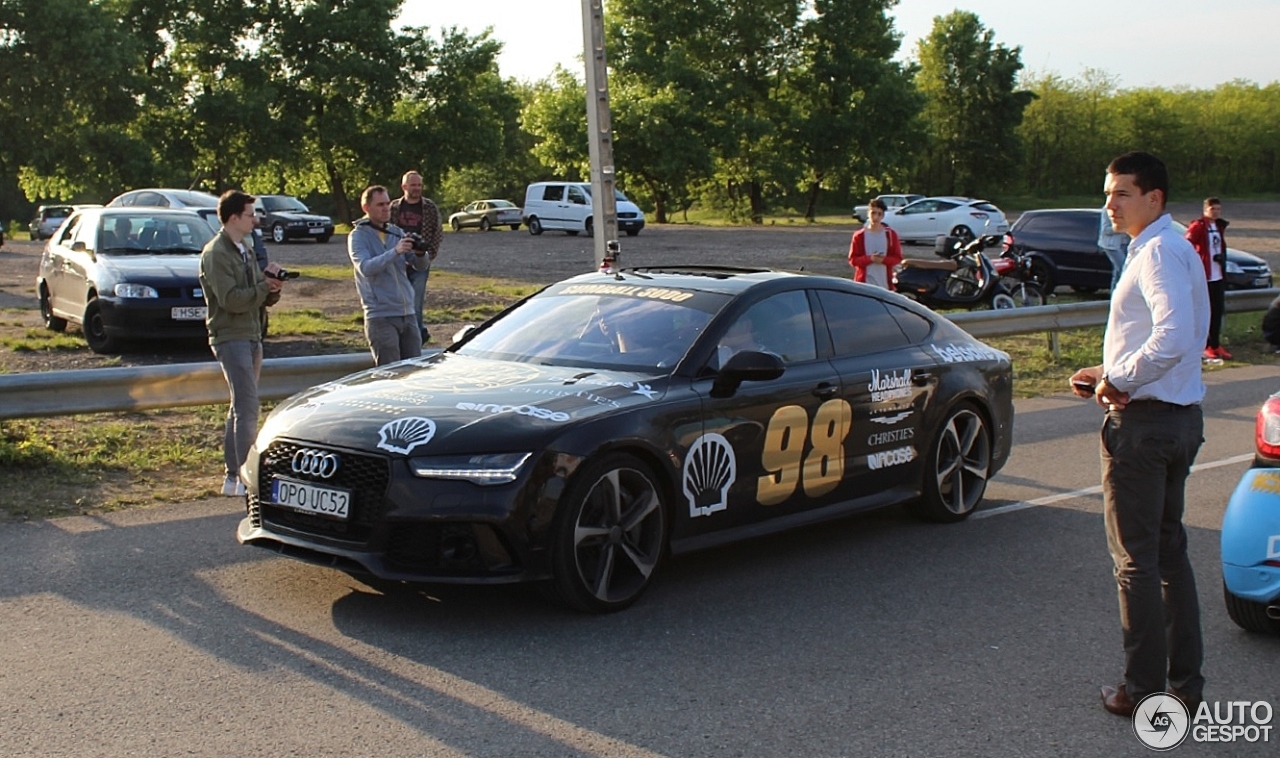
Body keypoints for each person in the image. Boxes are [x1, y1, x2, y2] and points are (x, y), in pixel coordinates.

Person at [1069, 151, 1208, 718]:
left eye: (1122, 192)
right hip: (1175, 417)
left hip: (1147, 427)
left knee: (1137, 562)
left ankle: (1142, 690)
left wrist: (1119, 382)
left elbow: (1174, 337)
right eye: (1108, 192)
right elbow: (1172, 339)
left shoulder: (1157, 252)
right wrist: (1107, 373)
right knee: (1169, 555)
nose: (1110, 203)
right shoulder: (1172, 248)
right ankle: (1185, 687)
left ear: (1155, 198)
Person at [199, 190, 286, 497]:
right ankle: (247, 476)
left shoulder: (245, 248)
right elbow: (231, 300)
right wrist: (263, 287)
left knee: (240, 406)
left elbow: (255, 294)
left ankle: (231, 476)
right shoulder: (216, 253)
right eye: (250, 214)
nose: (256, 219)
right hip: (230, 336)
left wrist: (271, 286)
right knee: (248, 406)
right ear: (233, 218)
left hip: (252, 333)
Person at [349, 184, 430, 365]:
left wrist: (420, 253)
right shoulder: (358, 236)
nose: (386, 208)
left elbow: (420, 266)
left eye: (387, 203)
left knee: (414, 372)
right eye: (380, 205)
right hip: (381, 315)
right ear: (366, 208)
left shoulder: (395, 232)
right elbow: (365, 268)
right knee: (391, 375)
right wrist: (395, 251)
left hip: (407, 312)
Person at [389, 170, 443, 343]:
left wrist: (429, 254)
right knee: (398, 299)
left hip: (420, 260)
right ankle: (408, 333)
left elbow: (438, 232)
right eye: (413, 185)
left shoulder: (429, 207)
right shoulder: (394, 208)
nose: (417, 188)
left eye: (419, 185)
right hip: (398, 261)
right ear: (404, 186)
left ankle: (417, 338)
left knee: (416, 301)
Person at [1185, 197, 1231, 360]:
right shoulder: (1199, 226)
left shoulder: (1218, 226)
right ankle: (1205, 346)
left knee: (1218, 311)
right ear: (1205, 210)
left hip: (1218, 275)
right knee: (1206, 312)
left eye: (1218, 209)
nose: (1216, 212)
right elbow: (1187, 244)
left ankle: (1215, 344)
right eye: (1213, 209)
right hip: (1205, 276)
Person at [848, 198, 904, 290]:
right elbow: (853, 260)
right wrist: (870, 259)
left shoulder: (890, 235)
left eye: (879, 214)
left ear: (883, 216)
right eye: (873, 213)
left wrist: (883, 260)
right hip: (864, 284)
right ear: (868, 214)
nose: (876, 217)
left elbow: (897, 258)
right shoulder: (859, 235)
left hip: (885, 284)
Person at [1097, 197, 1130, 291]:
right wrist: (1120, 227)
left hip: (1124, 244)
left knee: (1117, 272)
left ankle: (1114, 295)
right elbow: (1106, 230)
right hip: (1111, 245)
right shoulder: (1107, 210)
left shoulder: (1125, 209)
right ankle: (1121, 294)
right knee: (1124, 268)